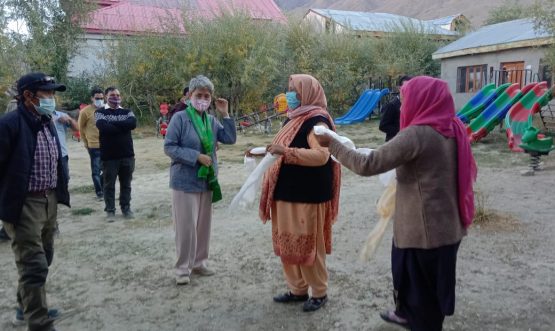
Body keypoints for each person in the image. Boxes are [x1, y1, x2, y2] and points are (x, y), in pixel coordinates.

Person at [316, 76, 477, 331]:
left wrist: (333, 144)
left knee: (420, 294)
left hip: (423, 233)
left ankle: (418, 320)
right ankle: (410, 314)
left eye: (405, 100)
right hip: (448, 227)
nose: (402, 106)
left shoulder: (418, 134)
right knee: (433, 287)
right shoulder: (451, 127)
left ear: (422, 100)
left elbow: (367, 165)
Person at [258, 74, 341, 312]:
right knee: (289, 245)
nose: (289, 94)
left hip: (308, 194)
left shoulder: (317, 122)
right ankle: (297, 289)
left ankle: (319, 292)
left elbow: (322, 156)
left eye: (294, 89)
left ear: (307, 92)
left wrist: (286, 152)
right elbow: (282, 151)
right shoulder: (293, 119)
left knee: (309, 247)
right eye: (288, 89)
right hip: (286, 193)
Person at [0, 72, 70, 331]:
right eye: (47, 94)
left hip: (48, 200)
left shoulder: (46, 120)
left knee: (45, 257)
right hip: (24, 205)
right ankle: (39, 322)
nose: (52, 98)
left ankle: (25, 305)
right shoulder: (9, 124)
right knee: (34, 265)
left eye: (53, 93)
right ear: (28, 96)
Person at [164, 75, 236, 285]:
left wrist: (226, 114)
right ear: (190, 96)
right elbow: (169, 147)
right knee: (186, 227)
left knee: (203, 225)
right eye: (199, 95)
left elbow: (230, 139)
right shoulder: (180, 118)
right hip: (185, 181)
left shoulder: (211, 120)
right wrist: (195, 156)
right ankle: (182, 269)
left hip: (207, 181)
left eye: (206, 96)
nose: (203, 99)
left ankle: (199, 263)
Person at [95, 86, 136, 221]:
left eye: (118, 95)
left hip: (127, 156)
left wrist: (113, 125)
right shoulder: (100, 112)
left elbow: (133, 123)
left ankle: (126, 208)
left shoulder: (127, 111)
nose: (116, 97)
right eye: (113, 95)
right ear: (106, 97)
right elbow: (103, 127)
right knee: (108, 185)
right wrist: (123, 126)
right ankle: (110, 211)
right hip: (109, 157)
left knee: (126, 185)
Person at [78, 87, 105, 200]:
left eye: (101, 98)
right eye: (97, 98)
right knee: (96, 170)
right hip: (93, 146)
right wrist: (86, 143)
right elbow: (81, 128)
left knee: (106, 169)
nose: (99, 100)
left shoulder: (106, 109)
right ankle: (99, 192)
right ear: (92, 98)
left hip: (107, 145)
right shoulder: (85, 111)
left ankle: (104, 188)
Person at [379, 75, 412, 142]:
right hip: (394, 142)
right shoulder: (392, 105)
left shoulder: (413, 104)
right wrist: (401, 131)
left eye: (411, 87)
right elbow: (383, 126)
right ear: (399, 88)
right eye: (406, 87)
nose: (408, 89)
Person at [52, 110, 78, 181]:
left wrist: (70, 119)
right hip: (46, 155)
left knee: (64, 178)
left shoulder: (61, 115)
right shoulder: (37, 115)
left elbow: (76, 128)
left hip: (62, 154)